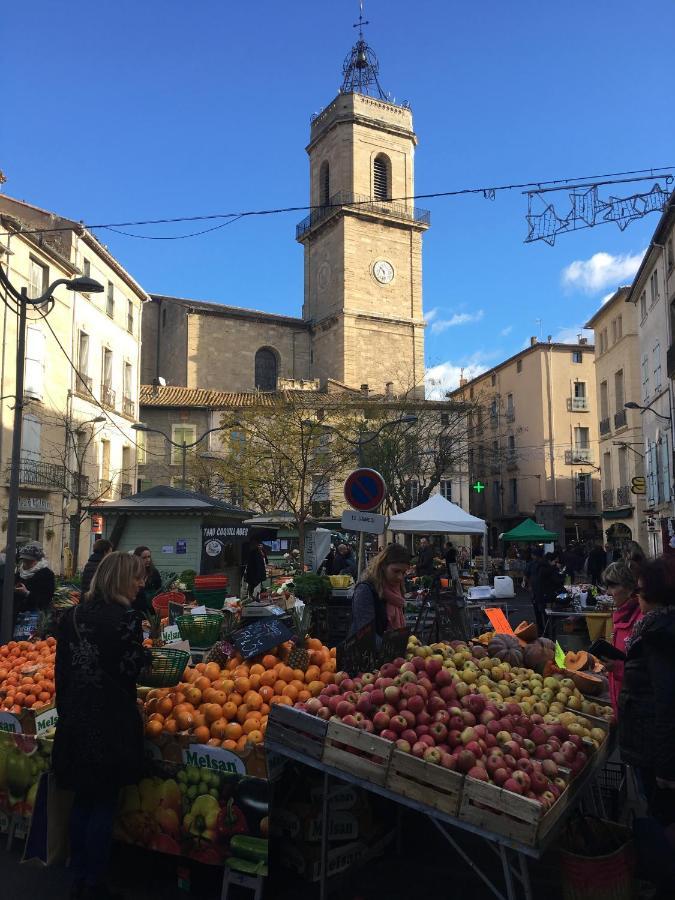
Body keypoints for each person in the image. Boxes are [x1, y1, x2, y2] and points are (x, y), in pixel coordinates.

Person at [53, 551, 147, 900]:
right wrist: (147, 655)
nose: (140, 583)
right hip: (110, 722)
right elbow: (131, 668)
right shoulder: (125, 618)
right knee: (105, 801)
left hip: (76, 718)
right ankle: (95, 881)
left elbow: (61, 670)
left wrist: (67, 709)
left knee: (83, 798)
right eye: (136, 577)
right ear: (121, 579)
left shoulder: (72, 616)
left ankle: (78, 874)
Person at [618, 556, 675, 822]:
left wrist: (665, 767)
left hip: (653, 749)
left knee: (662, 819)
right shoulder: (658, 629)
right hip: (650, 742)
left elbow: (667, 703)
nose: (636, 596)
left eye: (639, 590)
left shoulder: (658, 637)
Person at [600, 561, 642, 714]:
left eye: (613, 586)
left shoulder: (640, 620)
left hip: (637, 709)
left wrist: (617, 668)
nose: (608, 593)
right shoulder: (621, 616)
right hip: (621, 702)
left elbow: (646, 670)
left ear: (629, 588)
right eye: (607, 586)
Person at [349, 544, 411, 639]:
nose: (400, 577)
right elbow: (366, 634)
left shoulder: (397, 591)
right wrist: (393, 645)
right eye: (396, 571)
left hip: (391, 652)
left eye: (403, 572)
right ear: (383, 566)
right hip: (366, 652)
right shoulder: (365, 590)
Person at [13, 541, 56, 620]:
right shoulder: (19, 572)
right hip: (16, 616)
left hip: (34, 618)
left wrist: (27, 593)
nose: (26, 563)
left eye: (29, 560)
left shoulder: (46, 574)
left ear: (38, 560)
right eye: (24, 560)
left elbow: (45, 600)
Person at [532, 552, 564, 634]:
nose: (557, 563)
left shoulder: (540, 566)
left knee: (543, 614)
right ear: (551, 560)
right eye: (555, 561)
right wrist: (558, 571)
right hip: (545, 595)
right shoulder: (547, 568)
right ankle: (548, 632)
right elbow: (555, 580)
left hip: (539, 594)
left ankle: (544, 631)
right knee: (547, 614)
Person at [132, 546, 162, 614]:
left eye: (149, 557)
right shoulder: (131, 572)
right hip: (136, 609)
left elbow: (159, 589)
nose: (148, 560)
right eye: (144, 558)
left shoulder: (154, 572)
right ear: (137, 558)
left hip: (151, 609)